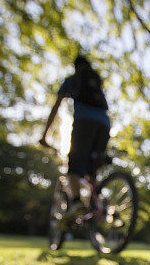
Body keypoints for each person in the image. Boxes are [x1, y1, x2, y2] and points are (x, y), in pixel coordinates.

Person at [39, 54, 110, 190]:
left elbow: (55, 108)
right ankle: (98, 204)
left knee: (74, 168)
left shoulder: (72, 80)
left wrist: (44, 136)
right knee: (91, 168)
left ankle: (77, 203)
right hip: (105, 124)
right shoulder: (95, 82)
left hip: (84, 122)